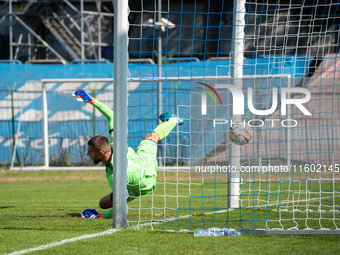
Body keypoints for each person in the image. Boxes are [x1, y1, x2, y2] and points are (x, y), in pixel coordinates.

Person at [71, 90, 183, 219]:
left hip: (145, 183)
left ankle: (174, 120)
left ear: (101, 153)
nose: (87, 154)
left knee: (105, 204)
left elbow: (121, 208)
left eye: (90, 152)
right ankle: (174, 120)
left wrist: (99, 216)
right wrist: (91, 100)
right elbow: (112, 116)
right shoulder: (116, 143)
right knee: (152, 137)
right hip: (142, 159)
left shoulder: (117, 177)